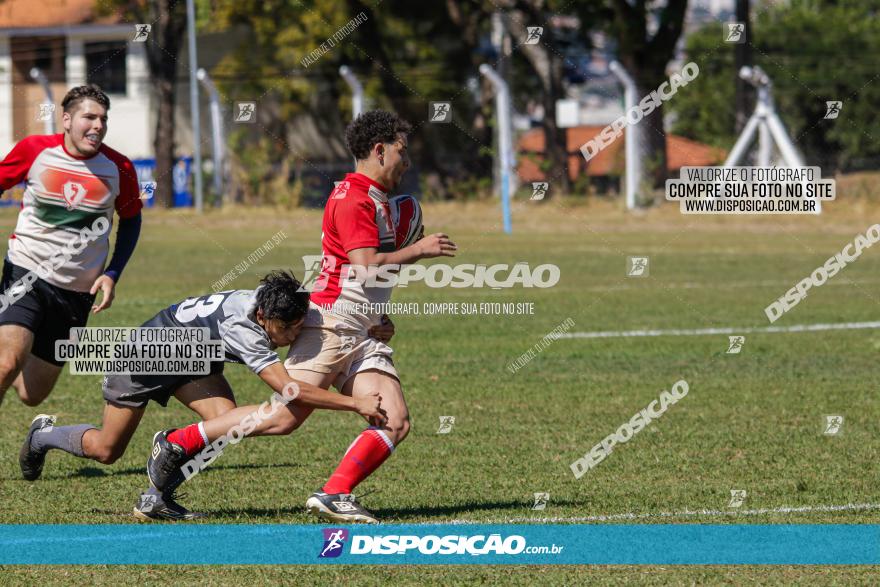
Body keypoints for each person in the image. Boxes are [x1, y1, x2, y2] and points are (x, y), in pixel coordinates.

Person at [144, 111, 457, 523]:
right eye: (402, 151)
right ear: (379, 151)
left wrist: (379, 318)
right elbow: (364, 266)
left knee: (394, 419)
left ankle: (335, 493)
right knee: (280, 418)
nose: (408, 160)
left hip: (362, 332)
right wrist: (419, 250)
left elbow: (367, 277)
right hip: (329, 325)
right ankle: (178, 443)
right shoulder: (353, 199)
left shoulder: (379, 201)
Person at [19, 271, 387, 520]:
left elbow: (321, 313)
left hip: (189, 353)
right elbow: (289, 389)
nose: (291, 335)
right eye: (283, 329)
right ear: (262, 314)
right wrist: (354, 403)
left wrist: (372, 323)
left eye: (295, 325)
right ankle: (43, 436)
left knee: (224, 425)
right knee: (106, 450)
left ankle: (155, 499)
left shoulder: (278, 304)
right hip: (145, 357)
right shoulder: (245, 327)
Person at [0, 84, 142, 408]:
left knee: (32, 394)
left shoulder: (120, 168)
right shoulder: (34, 150)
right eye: (89, 117)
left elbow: (131, 220)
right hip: (27, 270)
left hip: (76, 293)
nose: (98, 126)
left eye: (103, 119)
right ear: (66, 119)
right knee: (7, 364)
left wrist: (113, 273)